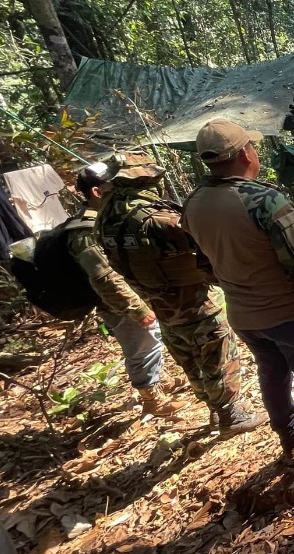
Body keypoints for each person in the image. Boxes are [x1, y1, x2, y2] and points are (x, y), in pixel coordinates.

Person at [182, 119, 294, 465]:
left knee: (272, 375)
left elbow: (203, 265)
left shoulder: (193, 204)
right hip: (291, 313)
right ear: (245, 153)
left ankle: (291, 440)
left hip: (244, 316)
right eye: (252, 146)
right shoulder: (264, 201)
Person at [93, 152, 265, 438]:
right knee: (216, 355)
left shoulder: (106, 219)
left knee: (189, 358)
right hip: (194, 300)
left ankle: (215, 410)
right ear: (144, 179)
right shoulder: (156, 219)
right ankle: (231, 414)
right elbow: (204, 240)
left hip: (161, 305)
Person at [72, 162, 186, 417]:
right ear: (98, 192)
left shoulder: (108, 219)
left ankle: (160, 381)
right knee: (141, 346)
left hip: (135, 295)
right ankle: (152, 400)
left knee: (152, 341)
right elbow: (104, 277)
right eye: (115, 186)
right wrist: (137, 308)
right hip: (118, 304)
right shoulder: (87, 230)